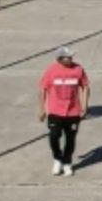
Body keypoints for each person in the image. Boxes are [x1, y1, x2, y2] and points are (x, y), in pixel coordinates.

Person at [38, 47, 90, 177]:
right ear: (60, 59)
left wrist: (84, 106)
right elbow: (42, 89)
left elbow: (85, 87)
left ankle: (67, 162)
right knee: (54, 136)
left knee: (70, 139)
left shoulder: (78, 69)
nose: (71, 59)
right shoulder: (51, 71)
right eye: (67, 57)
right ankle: (57, 158)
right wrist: (42, 108)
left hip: (73, 112)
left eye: (71, 56)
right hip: (55, 111)